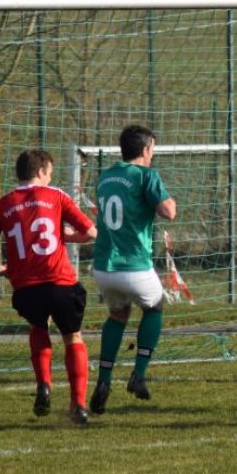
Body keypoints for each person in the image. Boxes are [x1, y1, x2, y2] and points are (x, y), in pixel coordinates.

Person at [0, 149, 98, 424]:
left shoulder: (2, 205)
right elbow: (91, 231)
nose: (50, 177)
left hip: (26, 288)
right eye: (50, 172)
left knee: (38, 327)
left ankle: (43, 384)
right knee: (73, 337)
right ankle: (78, 403)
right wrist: (68, 237)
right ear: (41, 172)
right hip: (60, 281)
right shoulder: (57, 196)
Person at [89, 125, 179, 414]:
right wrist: (166, 200)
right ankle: (138, 374)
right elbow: (169, 211)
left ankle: (103, 381)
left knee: (117, 316)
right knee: (155, 307)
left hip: (103, 266)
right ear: (145, 149)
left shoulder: (106, 176)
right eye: (152, 148)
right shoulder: (146, 175)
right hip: (134, 266)